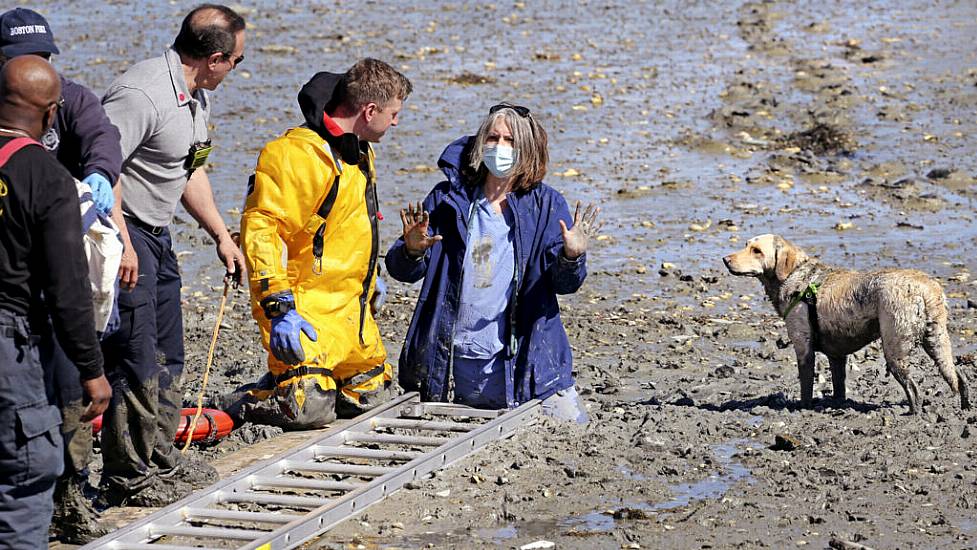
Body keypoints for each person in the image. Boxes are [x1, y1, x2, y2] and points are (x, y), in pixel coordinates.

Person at [98, 3, 246, 508]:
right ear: (215, 58)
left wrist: (221, 234)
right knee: (136, 359)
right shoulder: (142, 95)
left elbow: (190, 171)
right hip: (125, 229)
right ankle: (125, 477)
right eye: (238, 62)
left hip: (158, 234)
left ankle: (161, 460)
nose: (236, 70)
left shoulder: (197, 98)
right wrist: (119, 239)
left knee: (169, 354)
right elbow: (101, 169)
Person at [385, 103, 601, 422]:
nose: (500, 147)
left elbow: (565, 284)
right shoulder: (449, 199)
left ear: (525, 149)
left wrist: (572, 255)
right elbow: (402, 271)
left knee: (574, 431)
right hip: (453, 368)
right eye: (493, 138)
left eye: (510, 141)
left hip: (528, 370)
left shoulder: (545, 205)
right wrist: (411, 250)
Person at [230, 59, 411, 429]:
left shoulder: (359, 153)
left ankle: (317, 378)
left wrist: (371, 276)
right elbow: (262, 230)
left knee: (375, 395)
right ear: (369, 110)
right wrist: (278, 306)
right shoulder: (295, 155)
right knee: (308, 409)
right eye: (393, 114)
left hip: (350, 311)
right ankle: (248, 400)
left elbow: (352, 226)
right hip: (303, 311)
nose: (396, 123)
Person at [0, 7, 123, 542]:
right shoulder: (47, 179)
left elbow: (102, 137)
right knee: (26, 478)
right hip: (13, 341)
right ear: (51, 116)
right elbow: (69, 287)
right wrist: (92, 369)